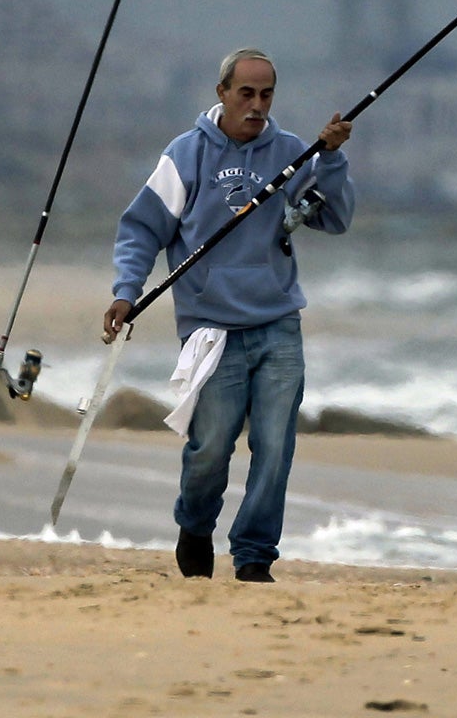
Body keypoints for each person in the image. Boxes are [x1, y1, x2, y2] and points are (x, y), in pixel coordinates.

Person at [107, 48, 353, 583]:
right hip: (211, 330)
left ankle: (254, 556)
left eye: (266, 95)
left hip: (278, 323)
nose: (257, 106)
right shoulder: (186, 155)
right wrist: (127, 291)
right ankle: (194, 526)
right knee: (210, 449)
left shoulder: (291, 151)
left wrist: (330, 159)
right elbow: (141, 230)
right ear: (222, 92)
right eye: (246, 93)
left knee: (274, 448)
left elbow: (334, 218)